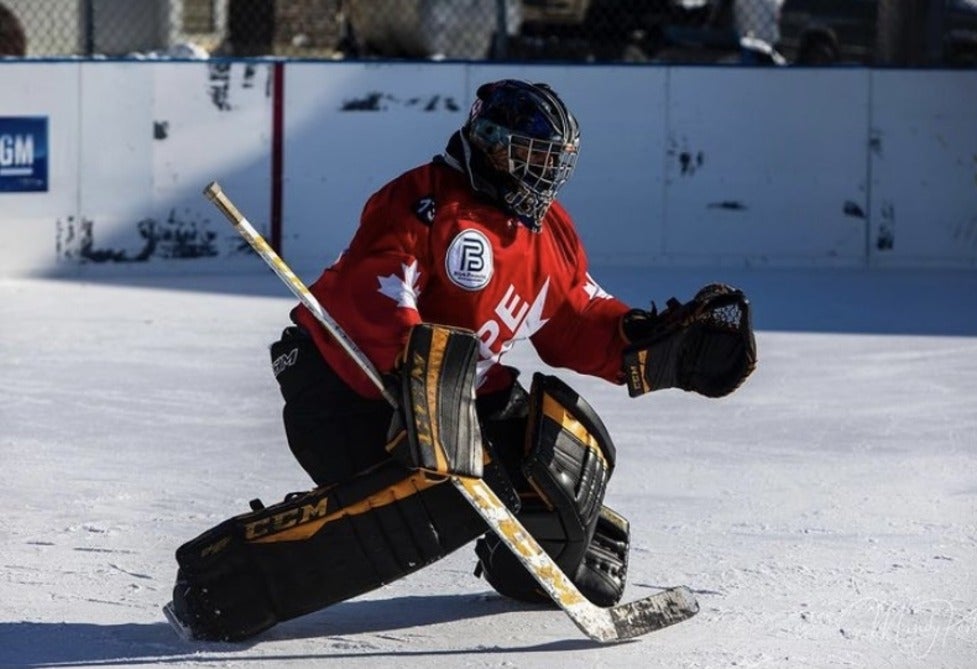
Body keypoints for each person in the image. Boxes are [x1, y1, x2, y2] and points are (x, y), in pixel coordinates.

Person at [169, 79, 756, 642]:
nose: (545, 172)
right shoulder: (425, 201)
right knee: (453, 488)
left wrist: (649, 344)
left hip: (456, 391)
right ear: (493, 146)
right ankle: (232, 580)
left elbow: (575, 315)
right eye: (531, 154)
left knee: (551, 453)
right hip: (346, 392)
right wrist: (419, 370)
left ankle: (529, 565)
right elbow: (375, 290)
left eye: (554, 159)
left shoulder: (550, 231)